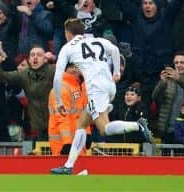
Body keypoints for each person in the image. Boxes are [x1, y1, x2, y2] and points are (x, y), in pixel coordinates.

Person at [50, 18, 153, 175]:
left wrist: (58, 102)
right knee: (82, 123)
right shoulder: (97, 40)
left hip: (96, 88)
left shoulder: (67, 48)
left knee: (104, 129)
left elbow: (57, 77)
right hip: (110, 85)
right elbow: (115, 50)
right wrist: (117, 72)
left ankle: (137, 126)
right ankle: (69, 166)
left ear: (68, 34)